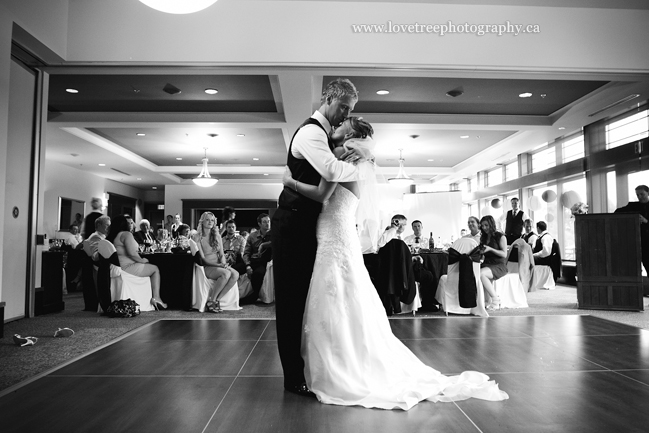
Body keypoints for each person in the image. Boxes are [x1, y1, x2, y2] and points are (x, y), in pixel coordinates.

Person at [282, 116, 508, 409]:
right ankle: (339, 357)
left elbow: (322, 193)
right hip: (335, 232)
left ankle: (338, 364)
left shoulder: (344, 161)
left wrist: (289, 181)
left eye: (342, 126)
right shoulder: (358, 161)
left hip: (334, 232)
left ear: (350, 135)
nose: (335, 127)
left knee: (337, 292)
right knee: (343, 294)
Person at [271, 78, 372, 398]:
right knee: (290, 303)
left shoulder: (330, 138)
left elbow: (327, 181)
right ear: (328, 98)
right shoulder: (312, 132)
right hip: (293, 226)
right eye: (343, 107)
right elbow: (329, 172)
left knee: (309, 301)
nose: (345, 115)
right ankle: (293, 376)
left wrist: (357, 161)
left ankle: (318, 366)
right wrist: (355, 162)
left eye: (350, 111)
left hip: (316, 228)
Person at [106, 214, 166, 310]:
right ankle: (156, 297)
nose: (132, 224)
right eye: (129, 223)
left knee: (150, 266)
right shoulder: (126, 234)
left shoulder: (112, 236)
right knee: (155, 269)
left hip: (118, 266)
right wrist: (142, 261)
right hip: (128, 267)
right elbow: (132, 254)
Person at [195, 212, 238, 313]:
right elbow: (203, 259)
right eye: (207, 220)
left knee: (235, 274)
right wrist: (219, 265)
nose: (210, 222)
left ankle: (217, 300)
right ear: (202, 221)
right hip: (207, 266)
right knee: (226, 273)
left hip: (219, 264)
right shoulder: (197, 237)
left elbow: (222, 254)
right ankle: (212, 300)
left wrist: (223, 264)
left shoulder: (217, 235)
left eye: (212, 220)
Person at [615, 184, 649, 274]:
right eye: (637, 195)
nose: (639, 197)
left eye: (642, 194)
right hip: (636, 242)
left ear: (648, 193)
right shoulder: (633, 206)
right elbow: (617, 212)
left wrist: (646, 221)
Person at [242, 213, 272, 305]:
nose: (267, 224)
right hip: (252, 261)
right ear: (259, 224)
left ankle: (254, 296)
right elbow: (246, 253)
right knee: (235, 269)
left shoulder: (274, 234)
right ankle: (229, 298)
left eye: (268, 221)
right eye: (264, 222)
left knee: (258, 273)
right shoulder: (252, 236)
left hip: (263, 262)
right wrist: (247, 265)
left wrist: (264, 244)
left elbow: (276, 243)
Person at [479, 215, 508, 310]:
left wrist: (490, 249)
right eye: (482, 226)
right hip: (487, 263)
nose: (484, 228)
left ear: (491, 224)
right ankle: (484, 301)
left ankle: (495, 299)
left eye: (486, 225)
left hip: (499, 265)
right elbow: (483, 255)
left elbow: (504, 254)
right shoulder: (483, 237)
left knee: (481, 273)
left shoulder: (500, 236)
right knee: (473, 271)